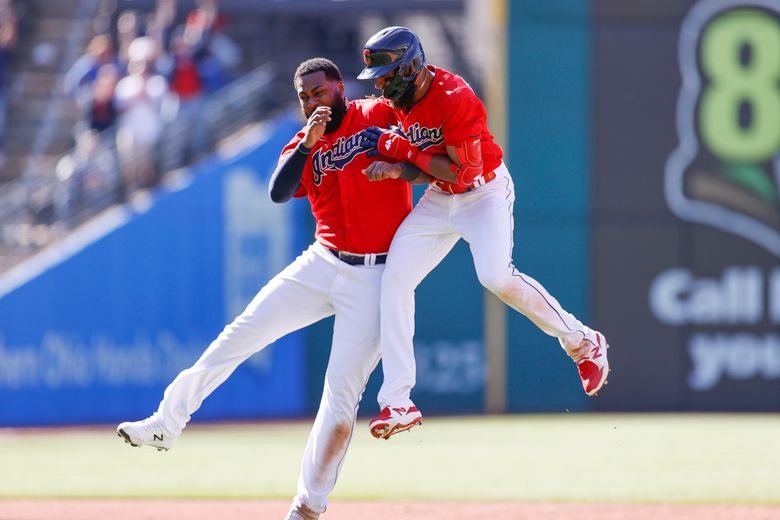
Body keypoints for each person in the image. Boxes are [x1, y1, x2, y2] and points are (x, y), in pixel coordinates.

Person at [116, 57, 427, 520]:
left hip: (375, 275)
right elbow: (278, 191)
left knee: (340, 395)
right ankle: (167, 421)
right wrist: (308, 143)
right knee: (240, 334)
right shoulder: (304, 142)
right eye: (304, 97)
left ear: (340, 87)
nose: (312, 102)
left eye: (319, 92)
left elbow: (419, 124)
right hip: (321, 262)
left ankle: (307, 506)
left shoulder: (376, 113)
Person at [355, 27, 611, 440]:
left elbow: (462, 171)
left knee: (496, 276)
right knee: (395, 280)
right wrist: (397, 166)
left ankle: (582, 341)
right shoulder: (397, 101)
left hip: (483, 192)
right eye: (378, 80)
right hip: (440, 198)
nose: (382, 87)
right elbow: (429, 170)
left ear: (413, 66)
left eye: (387, 77)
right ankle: (398, 400)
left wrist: (401, 153)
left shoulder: (456, 97)